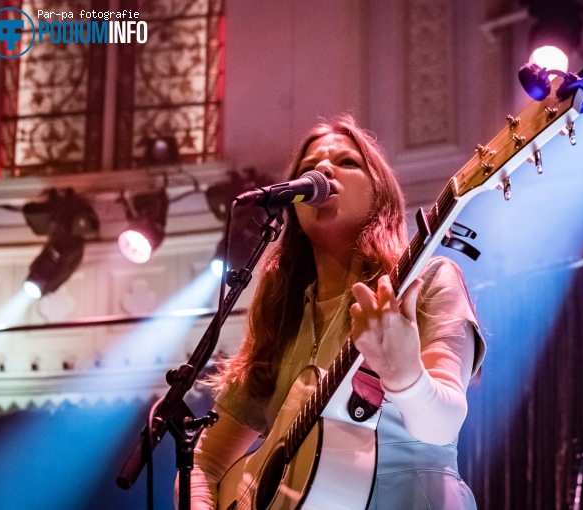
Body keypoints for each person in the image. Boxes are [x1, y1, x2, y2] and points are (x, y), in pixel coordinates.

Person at [182, 115, 485, 509]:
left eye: (347, 162)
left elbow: (442, 425)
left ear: (381, 194)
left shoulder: (423, 283)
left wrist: (403, 372)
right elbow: (205, 459)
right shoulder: (282, 322)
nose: (323, 169)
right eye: (309, 168)